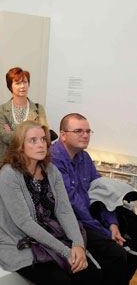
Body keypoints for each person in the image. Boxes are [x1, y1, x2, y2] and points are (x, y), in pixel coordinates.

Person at [0, 120, 101, 284]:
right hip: (16, 241)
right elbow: (24, 222)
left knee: (90, 274)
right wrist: (65, 251)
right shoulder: (9, 174)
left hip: (50, 233)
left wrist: (78, 245)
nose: (41, 145)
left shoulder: (51, 170)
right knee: (59, 279)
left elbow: (64, 210)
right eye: (33, 140)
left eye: (43, 140)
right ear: (20, 145)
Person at [51, 113, 137, 284]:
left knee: (134, 232)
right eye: (79, 131)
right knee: (117, 253)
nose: (85, 135)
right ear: (63, 135)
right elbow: (73, 205)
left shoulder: (84, 157)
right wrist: (104, 231)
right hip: (70, 221)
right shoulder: (53, 160)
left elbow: (102, 193)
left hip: (88, 214)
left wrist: (112, 223)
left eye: (88, 131)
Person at [0, 67, 48, 165]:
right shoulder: (2, 110)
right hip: (7, 160)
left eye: (25, 82)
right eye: (17, 83)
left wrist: (12, 132)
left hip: (32, 160)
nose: (22, 86)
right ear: (10, 86)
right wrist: (31, 135)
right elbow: (5, 136)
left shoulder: (38, 109)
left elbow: (44, 134)